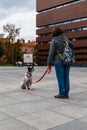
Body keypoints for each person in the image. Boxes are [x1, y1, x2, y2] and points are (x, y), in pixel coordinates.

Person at [47, 27, 74, 99]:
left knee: (60, 78)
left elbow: (51, 53)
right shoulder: (65, 38)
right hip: (67, 60)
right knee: (66, 77)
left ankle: (62, 93)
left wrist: (48, 63)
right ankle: (66, 94)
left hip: (59, 61)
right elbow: (73, 45)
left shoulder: (54, 40)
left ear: (54, 33)